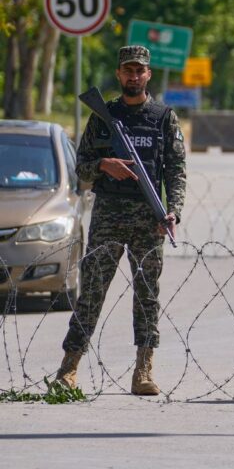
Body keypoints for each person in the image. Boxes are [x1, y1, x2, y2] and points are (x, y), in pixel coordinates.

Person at [54, 46, 186, 396]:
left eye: (139, 70)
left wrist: (173, 210)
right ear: (118, 74)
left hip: (148, 219)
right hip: (108, 215)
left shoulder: (163, 117)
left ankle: (143, 369)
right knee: (92, 291)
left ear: (148, 75)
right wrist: (104, 165)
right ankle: (69, 367)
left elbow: (176, 170)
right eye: (128, 70)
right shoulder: (103, 115)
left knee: (147, 295)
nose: (134, 76)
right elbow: (81, 167)